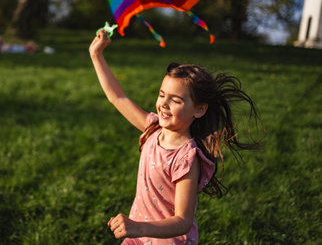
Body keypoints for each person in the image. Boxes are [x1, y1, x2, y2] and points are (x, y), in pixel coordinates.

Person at [89, 29, 260, 244]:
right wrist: (96, 55)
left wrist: (136, 227)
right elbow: (118, 97)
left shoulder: (186, 159)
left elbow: (183, 220)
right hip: (139, 237)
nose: (164, 104)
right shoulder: (153, 128)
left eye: (176, 100)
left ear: (199, 110)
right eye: (162, 95)